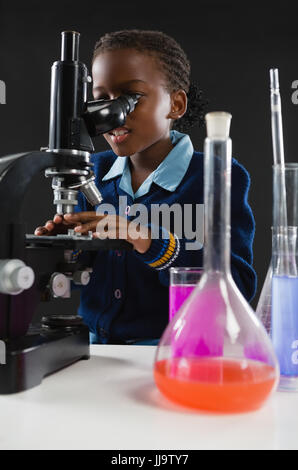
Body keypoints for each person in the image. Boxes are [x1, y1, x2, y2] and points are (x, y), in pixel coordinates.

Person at [35, 29, 257, 345]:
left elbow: (239, 287)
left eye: (130, 98)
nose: (110, 115)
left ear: (176, 104)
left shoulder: (215, 177)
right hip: (95, 349)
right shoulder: (92, 171)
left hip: (175, 349)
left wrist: (148, 240)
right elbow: (82, 276)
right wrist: (62, 254)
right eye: (100, 101)